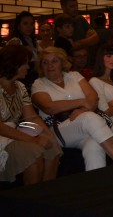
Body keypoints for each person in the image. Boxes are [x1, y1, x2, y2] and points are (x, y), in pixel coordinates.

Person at [30, 47, 113, 171]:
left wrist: (82, 110)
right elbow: (49, 107)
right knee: (89, 117)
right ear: (41, 66)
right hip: (59, 129)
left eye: (54, 61)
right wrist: (82, 102)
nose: (50, 65)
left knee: (94, 145)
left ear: (62, 62)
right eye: (45, 62)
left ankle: (97, 182)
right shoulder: (38, 84)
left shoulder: (74, 76)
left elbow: (93, 99)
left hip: (84, 125)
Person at [0, 45, 62, 185]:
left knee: (52, 146)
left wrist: (51, 137)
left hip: (14, 130)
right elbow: (1, 127)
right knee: (34, 153)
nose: (28, 67)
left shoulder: (20, 87)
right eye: (25, 63)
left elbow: (32, 117)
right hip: (2, 136)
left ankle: (46, 194)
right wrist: (34, 140)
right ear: (14, 65)